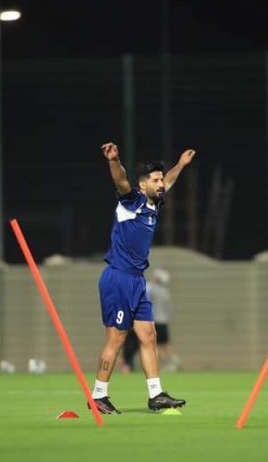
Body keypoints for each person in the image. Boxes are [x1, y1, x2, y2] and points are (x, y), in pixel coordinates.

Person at [89, 142, 194, 414]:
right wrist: (113, 160)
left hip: (137, 281)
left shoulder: (154, 203)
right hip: (118, 278)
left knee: (149, 335)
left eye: (160, 180)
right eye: (155, 181)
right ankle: (98, 396)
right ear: (143, 184)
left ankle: (156, 394)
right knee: (116, 339)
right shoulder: (131, 200)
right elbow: (121, 180)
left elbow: (169, 181)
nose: (161, 184)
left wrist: (180, 165)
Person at [147, 268, 180, 371]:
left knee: (156, 345)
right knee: (165, 344)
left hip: (155, 321)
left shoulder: (152, 289)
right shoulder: (165, 292)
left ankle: (164, 364)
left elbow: (146, 289)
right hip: (164, 321)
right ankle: (173, 360)